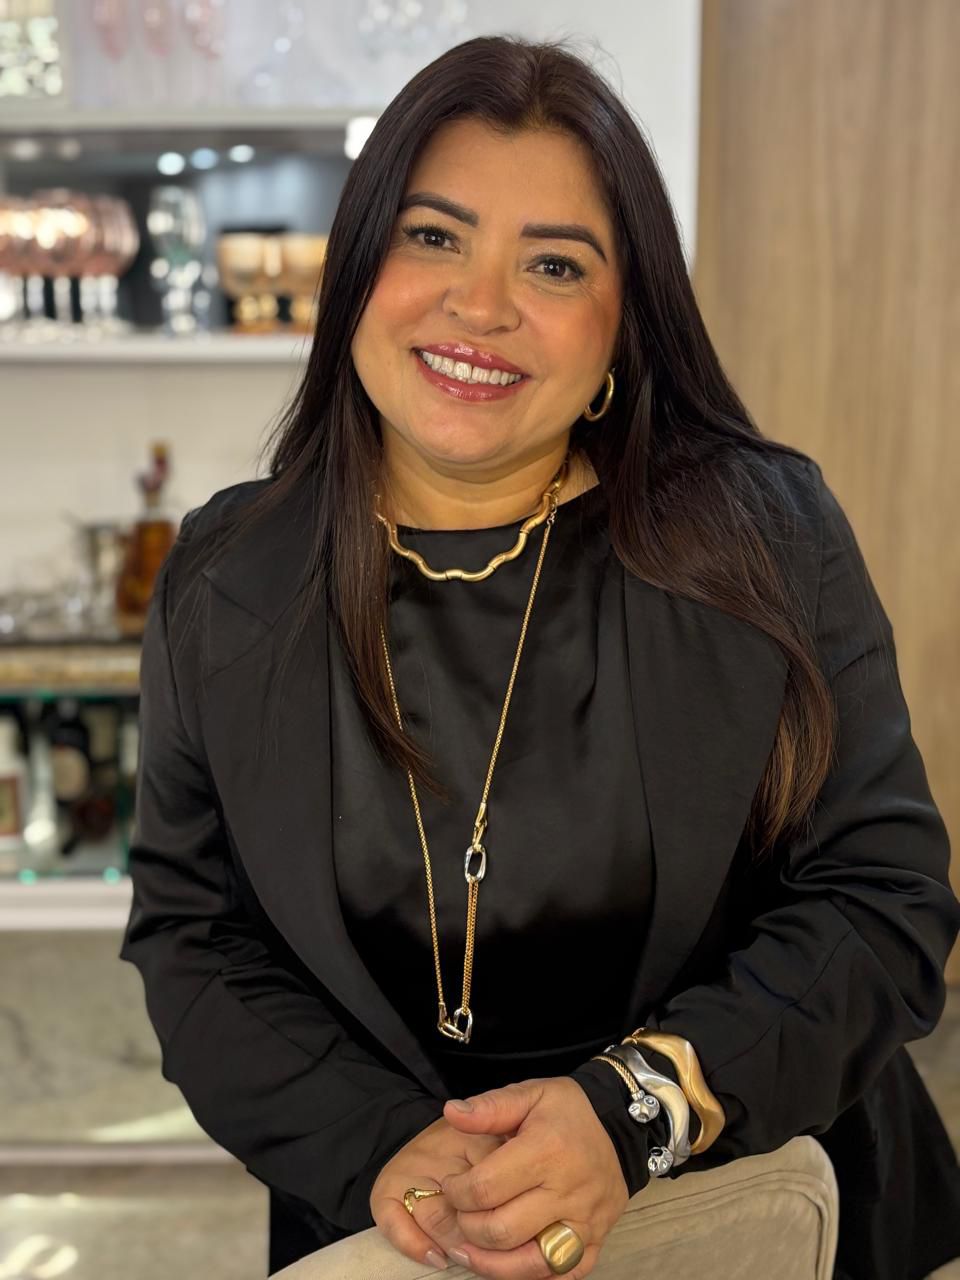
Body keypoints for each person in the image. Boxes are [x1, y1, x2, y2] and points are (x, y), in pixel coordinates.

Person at [118, 33, 960, 1280]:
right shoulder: (226, 578)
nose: (482, 305)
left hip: (762, 1205)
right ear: (357, 263)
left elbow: (883, 898)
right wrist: (386, 1149)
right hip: (405, 1229)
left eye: (554, 263)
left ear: (625, 321)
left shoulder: (764, 536)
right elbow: (195, 941)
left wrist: (635, 1108)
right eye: (434, 236)